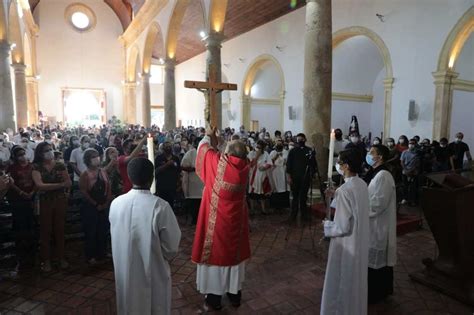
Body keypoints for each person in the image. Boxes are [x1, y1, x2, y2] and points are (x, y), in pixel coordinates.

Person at [109, 157, 181, 315]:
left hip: (124, 268)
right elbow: (171, 247)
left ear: (129, 177)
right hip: (153, 270)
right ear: (152, 178)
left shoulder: (116, 203)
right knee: (154, 305)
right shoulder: (160, 206)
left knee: (129, 305)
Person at [192, 127, 251, 311]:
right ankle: (235, 294)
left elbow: (203, 148)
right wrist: (219, 142)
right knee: (235, 257)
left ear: (227, 154)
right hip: (237, 220)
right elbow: (227, 153)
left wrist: (209, 135)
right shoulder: (245, 167)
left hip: (216, 222)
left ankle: (215, 298)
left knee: (216, 257)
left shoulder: (217, 164)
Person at [321, 149, 370, 315]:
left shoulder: (344, 190)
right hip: (360, 240)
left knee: (341, 282)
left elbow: (341, 227)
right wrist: (336, 194)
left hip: (346, 244)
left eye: (340, 162)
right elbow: (354, 205)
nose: (338, 165)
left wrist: (327, 226)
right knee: (355, 282)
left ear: (346, 166)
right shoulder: (362, 184)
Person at [364, 145, 397, 304]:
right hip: (373, 223)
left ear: (381, 157)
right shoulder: (376, 173)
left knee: (377, 261)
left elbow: (378, 203)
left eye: (371, 153)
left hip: (379, 224)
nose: (368, 155)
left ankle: (377, 293)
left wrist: (359, 206)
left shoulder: (383, 175)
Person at [32, 142, 71, 272]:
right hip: (45, 202)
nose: (49, 152)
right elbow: (39, 185)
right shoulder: (36, 167)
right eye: (46, 150)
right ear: (40, 153)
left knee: (60, 230)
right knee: (45, 231)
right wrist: (60, 185)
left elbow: (68, 182)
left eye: (50, 149)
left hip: (59, 201)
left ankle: (61, 258)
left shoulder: (59, 165)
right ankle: (46, 260)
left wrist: (54, 186)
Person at [79, 149, 112, 265]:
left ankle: (102, 252)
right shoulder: (85, 174)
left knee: (103, 229)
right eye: (93, 157)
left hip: (103, 203)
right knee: (91, 231)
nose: (96, 158)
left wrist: (107, 201)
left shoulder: (103, 171)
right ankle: (91, 255)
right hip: (91, 206)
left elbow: (108, 185)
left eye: (97, 156)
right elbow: (84, 191)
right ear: (88, 160)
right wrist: (95, 204)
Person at [7, 146, 36, 271]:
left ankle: (31, 248)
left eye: (24, 153)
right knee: (20, 224)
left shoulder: (32, 166)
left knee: (31, 223)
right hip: (18, 200)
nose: (23, 156)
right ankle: (21, 251)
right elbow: (10, 183)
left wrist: (33, 192)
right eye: (19, 154)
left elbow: (37, 180)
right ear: (15, 157)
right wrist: (21, 193)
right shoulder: (12, 168)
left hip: (31, 198)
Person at [286, 133, 316, 222]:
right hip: (295, 178)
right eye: (299, 139)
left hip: (305, 177)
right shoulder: (292, 151)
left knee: (303, 197)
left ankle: (304, 215)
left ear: (305, 139)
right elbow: (289, 165)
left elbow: (313, 164)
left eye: (302, 139)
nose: (300, 141)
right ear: (296, 141)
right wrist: (289, 177)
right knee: (295, 197)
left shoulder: (309, 150)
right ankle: (293, 215)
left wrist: (312, 174)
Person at [181, 138, 204, 224]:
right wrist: (194, 169)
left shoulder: (208, 153)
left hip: (204, 183)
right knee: (194, 203)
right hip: (193, 183)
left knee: (203, 203)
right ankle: (194, 219)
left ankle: (201, 220)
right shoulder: (191, 153)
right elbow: (183, 166)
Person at [248, 140, 272, 214]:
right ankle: (252, 209)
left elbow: (270, 163)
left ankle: (263, 209)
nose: (258, 149)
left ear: (263, 148)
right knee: (252, 194)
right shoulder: (251, 153)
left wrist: (265, 167)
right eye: (257, 147)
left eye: (260, 148)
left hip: (262, 176)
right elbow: (250, 164)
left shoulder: (266, 154)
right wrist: (257, 156)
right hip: (253, 177)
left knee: (262, 194)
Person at [155, 141, 181, 208]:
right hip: (162, 186)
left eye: (169, 147)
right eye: (166, 147)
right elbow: (156, 171)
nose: (168, 148)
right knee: (162, 205)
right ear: (163, 148)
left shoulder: (175, 158)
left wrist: (179, 184)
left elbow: (178, 171)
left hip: (172, 185)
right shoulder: (158, 158)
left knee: (171, 205)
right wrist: (167, 165)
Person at [400, 139, 420, 205]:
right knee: (405, 186)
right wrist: (406, 170)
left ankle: (412, 200)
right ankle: (404, 198)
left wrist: (412, 171)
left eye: (413, 143)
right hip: (405, 172)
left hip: (413, 172)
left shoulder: (417, 153)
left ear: (415, 144)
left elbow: (417, 163)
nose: (411, 145)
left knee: (413, 187)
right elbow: (402, 162)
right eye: (410, 143)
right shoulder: (404, 152)